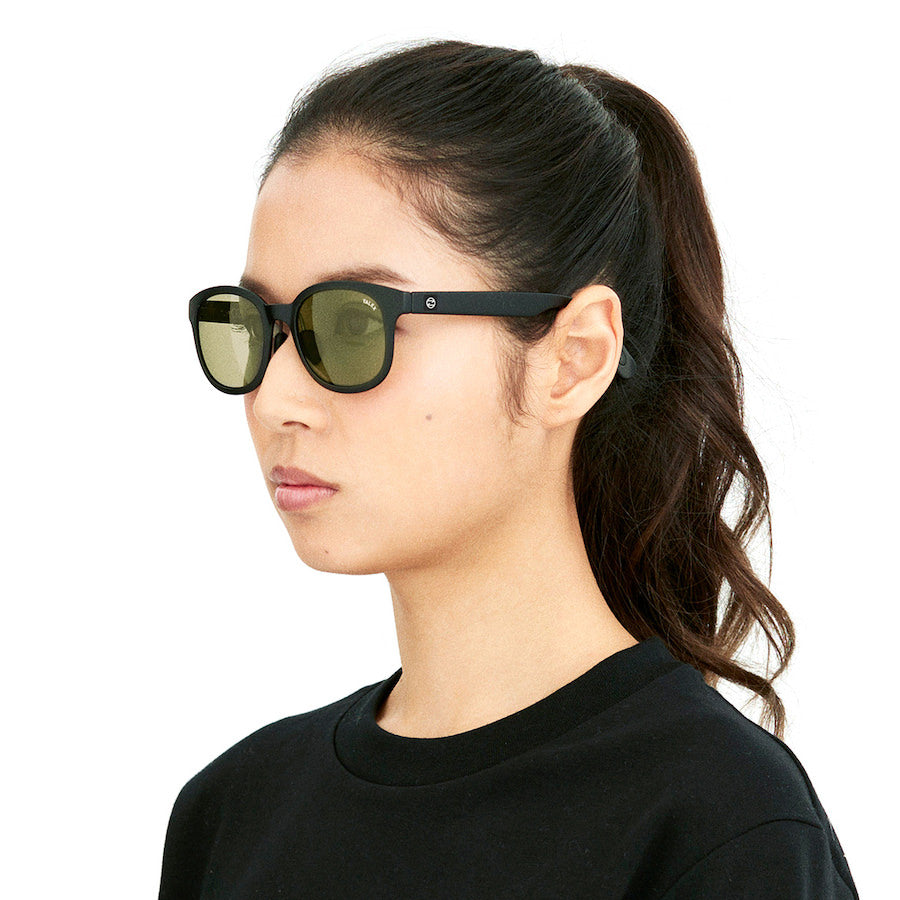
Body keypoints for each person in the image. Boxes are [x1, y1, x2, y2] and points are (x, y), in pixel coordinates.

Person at [159, 39, 859, 898]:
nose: (274, 400)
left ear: (572, 358)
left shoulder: (719, 823)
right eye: (254, 325)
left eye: (351, 325)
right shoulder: (232, 813)